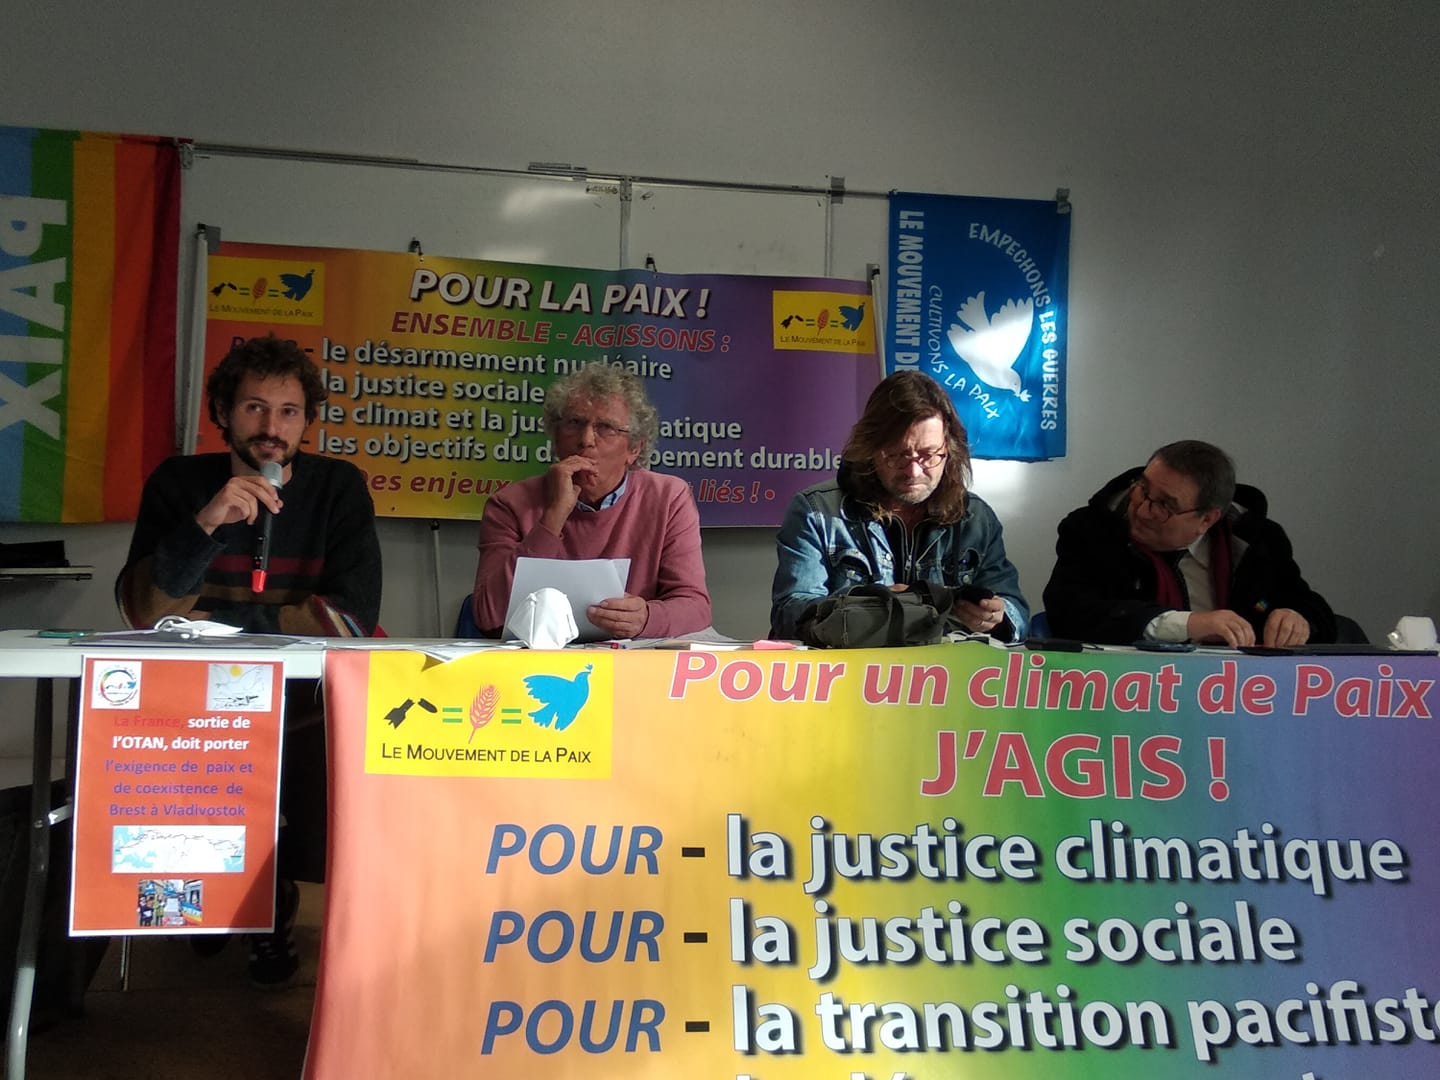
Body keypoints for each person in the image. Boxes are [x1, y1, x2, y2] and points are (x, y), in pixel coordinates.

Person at [116, 334, 382, 987]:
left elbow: (348, 617)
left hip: (304, 698)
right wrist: (205, 526)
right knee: (150, 744)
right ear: (223, 412)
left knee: (318, 773)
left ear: (307, 420)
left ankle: (271, 897)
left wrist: (218, 627)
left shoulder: (338, 488)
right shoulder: (178, 483)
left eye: (289, 411)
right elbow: (146, 612)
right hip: (192, 693)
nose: (272, 427)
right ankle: (210, 893)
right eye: (255, 407)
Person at [770, 370, 1030, 641]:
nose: (914, 471)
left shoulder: (976, 518)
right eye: (897, 455)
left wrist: (997, 618)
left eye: (929, 455)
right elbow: (789, 614)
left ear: (949, 450)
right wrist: (869, 605)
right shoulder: (816, 512)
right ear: (870, 449)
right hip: (854, 667)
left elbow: (1019, 615)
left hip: (946, 665)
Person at [470, 365, 711, 639]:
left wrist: (646, 618)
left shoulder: (668, 498)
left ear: (634, 448)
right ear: (556, 439)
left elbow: (696, 607)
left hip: (630, 658)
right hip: (538, 657)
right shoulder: (509, 504)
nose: (585, 440)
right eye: (574, 423)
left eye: (605, 428)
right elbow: (488, 615)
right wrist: (553, 518)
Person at [1043, 439, 1336, 646]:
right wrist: (1187, 624)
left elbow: (1313, 609)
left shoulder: (1258, 541)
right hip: (1126, 690)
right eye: (1142, 489)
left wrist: (1298, 620)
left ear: (1207, 520)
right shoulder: (1091, 530)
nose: (1142, 510)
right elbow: (1070, 612)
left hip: (1238, 693)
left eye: (1164, 506)